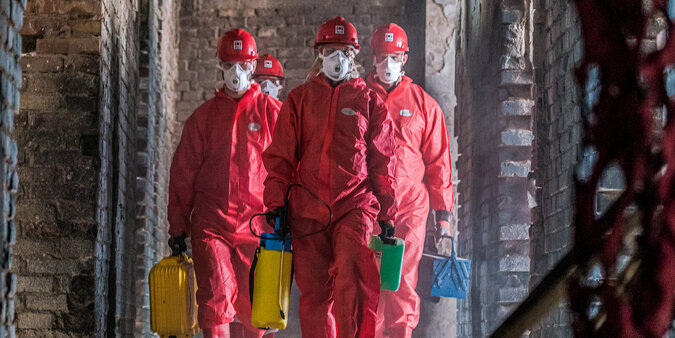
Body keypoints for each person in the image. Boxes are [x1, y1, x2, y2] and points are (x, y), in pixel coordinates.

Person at [262, 16, 398, 338]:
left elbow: (383, 162)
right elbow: (280, 158)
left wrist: (388, 213)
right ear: (319, 53)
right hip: (308, 211)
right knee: (314, 297)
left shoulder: (369, 103)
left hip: (355, 206)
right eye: (331, 50)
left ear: (354, 55)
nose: (338, 58)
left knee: (353, 281)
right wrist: (275, 204)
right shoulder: (299, 100)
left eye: (344, 51)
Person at [167, 28, 282, 338]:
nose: (237, 72)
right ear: (220, 65)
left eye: (243, 65)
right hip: (212, 225)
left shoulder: (273, 116)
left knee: (256, 310)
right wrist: (177, 229)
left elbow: (288, 168)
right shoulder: (203, 118)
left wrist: (286, 212)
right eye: (230, 64)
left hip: (258, 226)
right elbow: (183, 175)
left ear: (254, 65)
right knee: (216, 301)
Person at [365, 23, 454, 338]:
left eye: (394, 57)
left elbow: (438, 162)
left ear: (404, 58)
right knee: (371, 286)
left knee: (402, 281)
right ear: (373, 58)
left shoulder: (423, 104)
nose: (387, 64)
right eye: (382, 56)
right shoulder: (360, 99)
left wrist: (443, 216)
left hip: (410, 211)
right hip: (369, 209)